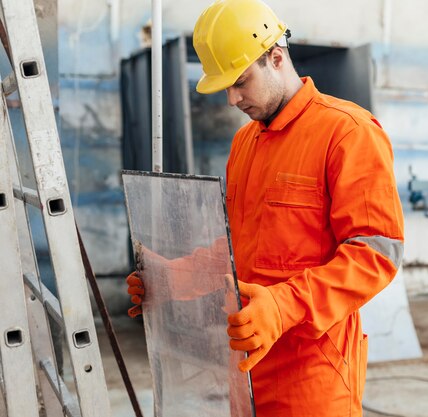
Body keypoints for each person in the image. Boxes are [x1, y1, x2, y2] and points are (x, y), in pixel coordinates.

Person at [127, 0, 404, 415]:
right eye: (225, 87)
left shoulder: (347, 132)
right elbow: (240, 247)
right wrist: (173, 278)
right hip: (246, 362)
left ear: (276, 57)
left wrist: (282, 305)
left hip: (313, 374)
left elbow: (376, 255)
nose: (232, 99)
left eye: (240, 82)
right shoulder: (245, 144)